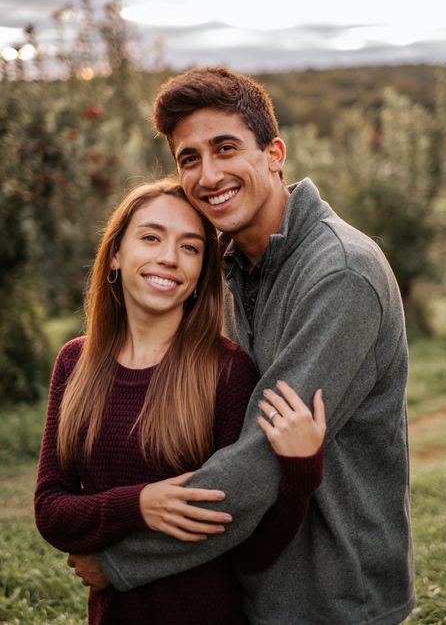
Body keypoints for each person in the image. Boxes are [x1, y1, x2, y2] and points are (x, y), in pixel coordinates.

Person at [68, 67, 415, 625]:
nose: (208, 175)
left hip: (332, 596)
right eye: (189, 158)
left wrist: (123, 559)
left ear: (274, 153)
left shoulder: (341, 274)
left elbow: (263, 461)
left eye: (226, 148)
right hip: (249, 584)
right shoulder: (225, 265)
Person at [35, 179, 326, 625]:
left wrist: (301, 474)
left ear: (199, 276)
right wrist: (139, 503)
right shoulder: (75, 363)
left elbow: (251, 550)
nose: (168, 258)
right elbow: (51, 512)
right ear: (115, 254)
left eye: (190, 248)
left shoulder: (227, 372)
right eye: (151, 237)